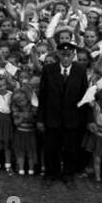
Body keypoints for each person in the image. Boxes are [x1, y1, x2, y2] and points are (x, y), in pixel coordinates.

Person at [37, 38, 88, 184]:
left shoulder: (80, 70)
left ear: (73, 56)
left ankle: (68, 174)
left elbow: (83, 96)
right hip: (52, 117)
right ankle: (50, 174)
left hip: (72, 118)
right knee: (51, 148)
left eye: (69, 55)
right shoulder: (48, 70)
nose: (66, 58)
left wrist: (84, 120)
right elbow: (43, 95)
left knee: (70, 149)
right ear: (58, 55)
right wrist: (41, 119)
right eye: (63, 54)